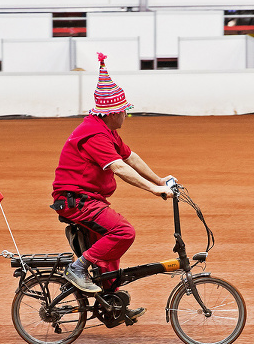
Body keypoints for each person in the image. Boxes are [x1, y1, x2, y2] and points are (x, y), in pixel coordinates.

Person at [51, 53, 174, 321]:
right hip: (76, 200)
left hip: (86, 198)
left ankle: (111, 306)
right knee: (122, 232)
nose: (126, 115)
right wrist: (153, 190)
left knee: (109, 252)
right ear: (113, 113)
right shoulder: (94, 133)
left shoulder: (106, 130)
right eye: (125, 111)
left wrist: (159, 180)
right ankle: (78, 268)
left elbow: (130, 157)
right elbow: (118, 167)